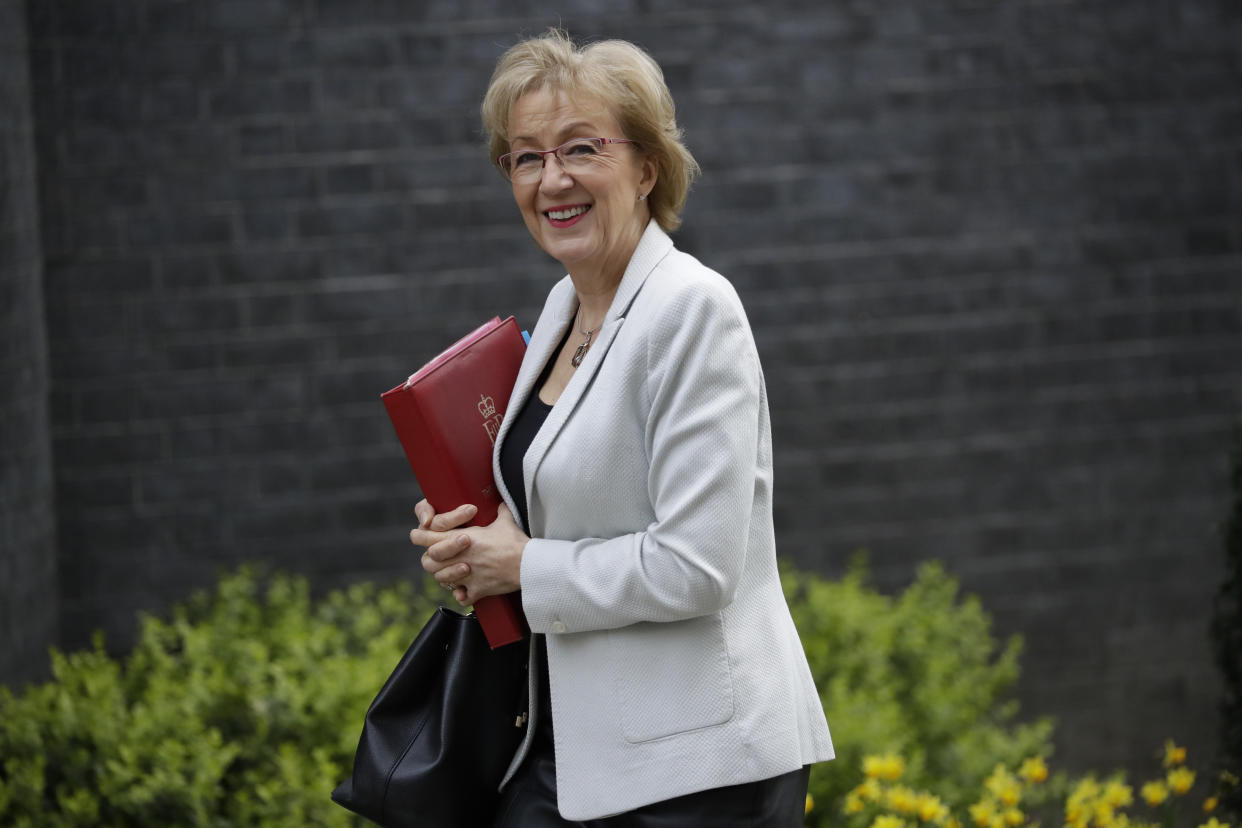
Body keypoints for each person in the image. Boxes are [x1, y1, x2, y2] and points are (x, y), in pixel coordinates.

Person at [410, 28, 834, 827]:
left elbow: (697, 566)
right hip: (571, 749)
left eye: (580, 148)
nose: (552, 179)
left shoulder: (692, 311)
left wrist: (526, 567)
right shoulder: (564, 309)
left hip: (700, 772)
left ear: (646, 167)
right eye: (525, 157)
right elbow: (574, 505)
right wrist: (476, 542)